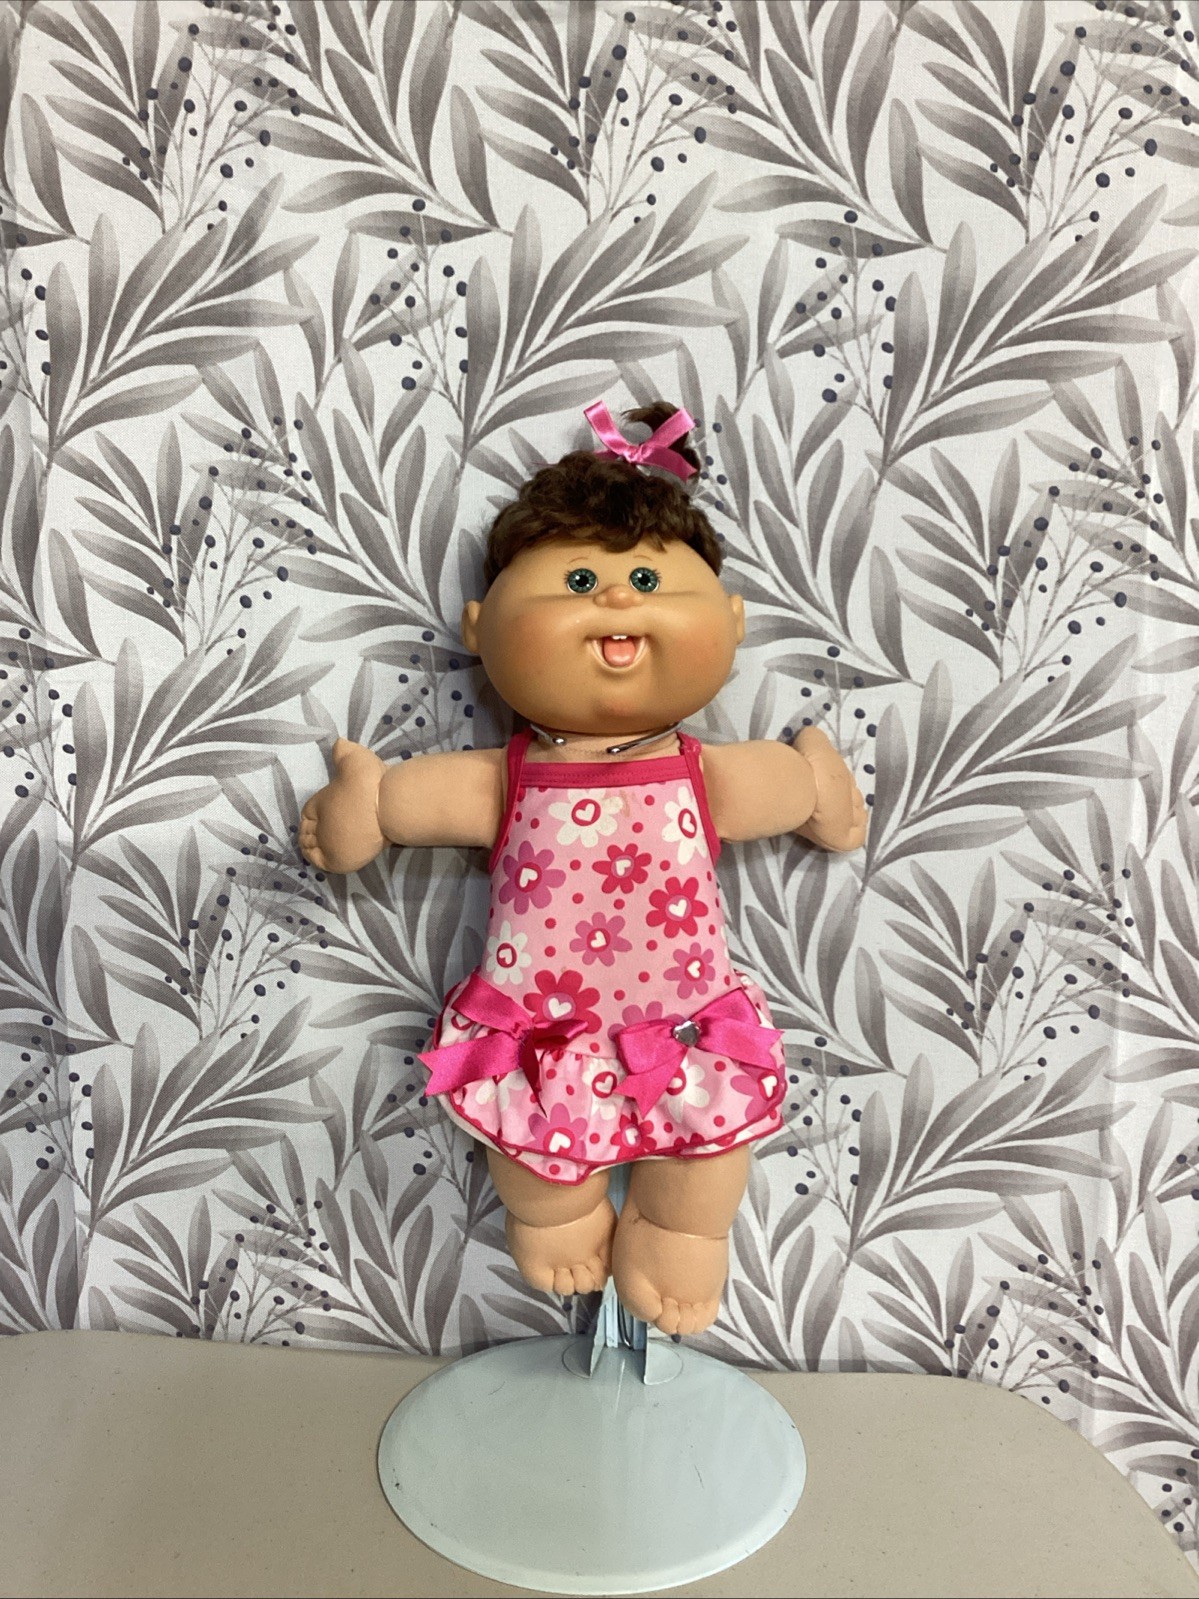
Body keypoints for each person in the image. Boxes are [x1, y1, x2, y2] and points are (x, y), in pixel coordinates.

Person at [299, 400, 867, 1336]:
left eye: (646, 577)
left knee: (703, 1160)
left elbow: (785, 785)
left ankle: (678, 1233)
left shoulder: (702, 770)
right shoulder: (510, 774)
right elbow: (407, 803)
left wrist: (815, 782)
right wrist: (366, 804)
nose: (616, 601)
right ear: (480, 628)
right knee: (537, 1168)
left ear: (729, 622)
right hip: (544, 1029)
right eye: (576, 580)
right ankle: (556, 1217)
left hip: (682, 1025)